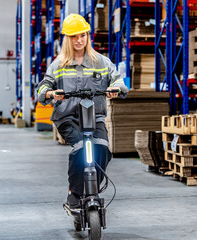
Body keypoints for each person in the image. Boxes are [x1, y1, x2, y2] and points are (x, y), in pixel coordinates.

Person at [37, 14, 128, 209]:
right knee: (80, 149)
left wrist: (116, 88)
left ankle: (93, 185)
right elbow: (42, 88)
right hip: (67, 118)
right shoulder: (58, 65)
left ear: (88, 36)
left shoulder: (101, 62)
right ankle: (75, 192)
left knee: (102, 148)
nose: (79, 40)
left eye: (82, 35)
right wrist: (51, 93)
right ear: (67, 39)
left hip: (95, 117)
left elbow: (119, 80)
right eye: (73, 36)